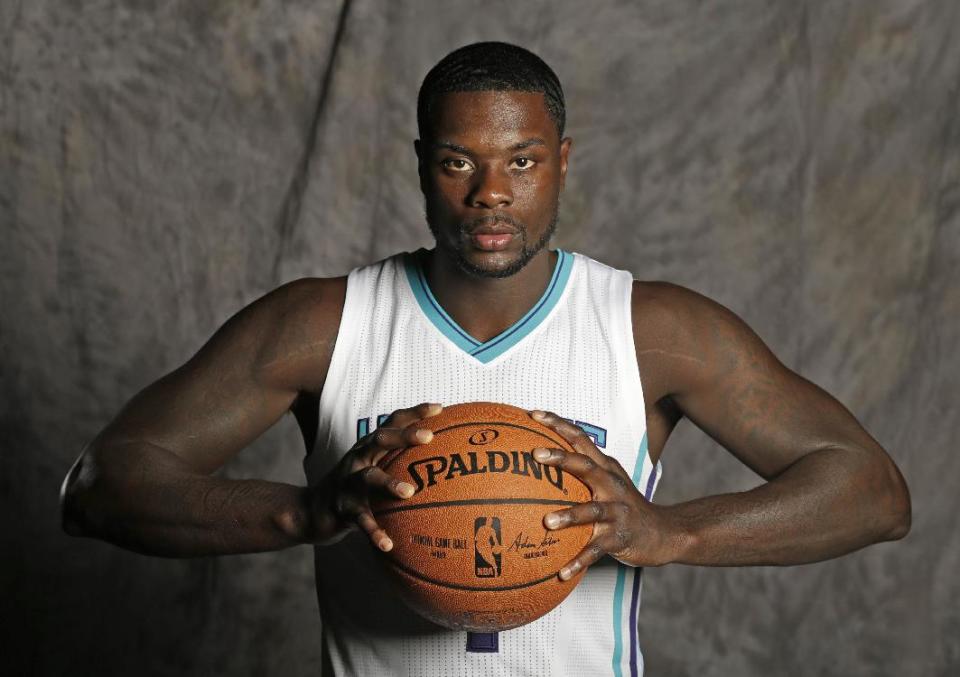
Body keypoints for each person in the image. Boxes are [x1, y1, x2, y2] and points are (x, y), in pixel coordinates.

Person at [60, 42, 911, 676]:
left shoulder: (650, 328)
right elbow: (100, 486)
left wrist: (672, 529)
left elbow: (871, 490)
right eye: (459, 161)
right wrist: (306, 510)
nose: (491, 193)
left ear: (563, 163)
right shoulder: (325, 323)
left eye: (523, 161)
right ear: (424, 168)